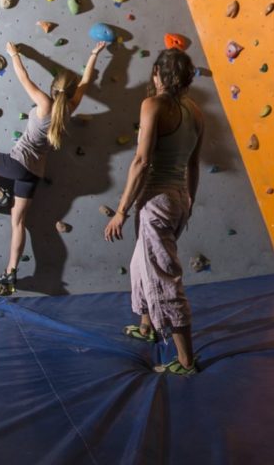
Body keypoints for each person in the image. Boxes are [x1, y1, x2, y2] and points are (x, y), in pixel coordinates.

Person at [0, 40, 106, 294]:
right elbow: (85, 83)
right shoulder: (69, 109)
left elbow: (23, 77)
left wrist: (14, 54)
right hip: (33, 174)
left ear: (52, 89)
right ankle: (10, 272)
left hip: (17, 163)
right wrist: (94, 54)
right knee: (19, 223)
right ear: (70, 93)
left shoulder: (45, 104)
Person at [104, 48, 205, 375]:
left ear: (158, 74)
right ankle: (147, 327)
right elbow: (193, 164)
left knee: (163, 278)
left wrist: (121, 210)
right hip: (176, 199)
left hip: (156, 202)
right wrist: (188, 202)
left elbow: (142, 162)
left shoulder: (153, 105)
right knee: (141, 264)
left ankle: (187, 361)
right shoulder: (196, 112)